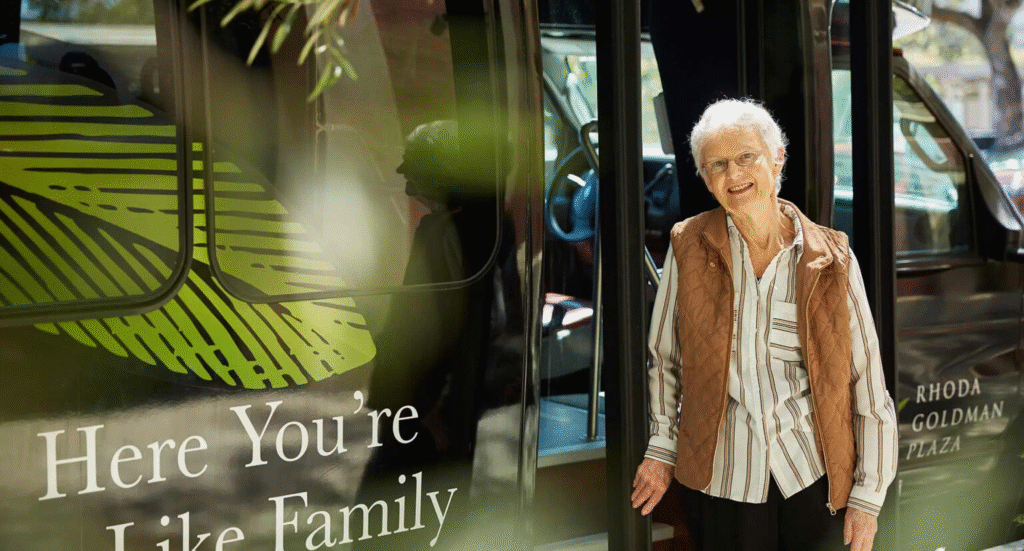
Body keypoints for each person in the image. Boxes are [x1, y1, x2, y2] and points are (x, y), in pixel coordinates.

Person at [630, 99, 898, 551]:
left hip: (812, 478)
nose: (733, 175)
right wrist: (661, 449)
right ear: (705, 178)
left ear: (777, 159)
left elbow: (866, 383)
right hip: (723, 479)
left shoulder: (832, 257)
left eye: (746, 157)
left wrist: (868, 498)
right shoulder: (688, 245)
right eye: (717, 164)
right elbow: (665, 360)